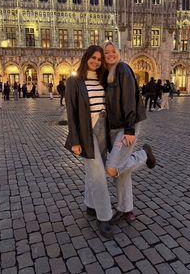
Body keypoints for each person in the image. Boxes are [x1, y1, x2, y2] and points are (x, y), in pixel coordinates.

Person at [103, 41, 156, 224]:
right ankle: (126, 209)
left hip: (127, 125)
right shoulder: (107, 74)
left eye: (113, 51)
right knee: (122, 171)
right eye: (106, 52)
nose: (110, 54)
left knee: (112, 168)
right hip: (114, 128)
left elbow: (129, 99)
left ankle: (144, 154)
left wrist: (130, 128)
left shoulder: (123, 70)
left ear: (118, 53)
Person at [65, 45, 113, 238]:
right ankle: (104, 216)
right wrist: (75, 140)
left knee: (93, 170)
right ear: (86, 58)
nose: (96, 61)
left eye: (99, 59)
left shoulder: (102, 79)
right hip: (87, 130)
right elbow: (71, 112)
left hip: (103, 126)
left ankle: (90, 204)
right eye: (93, 58)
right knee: (98, 173)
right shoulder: (74, 81)